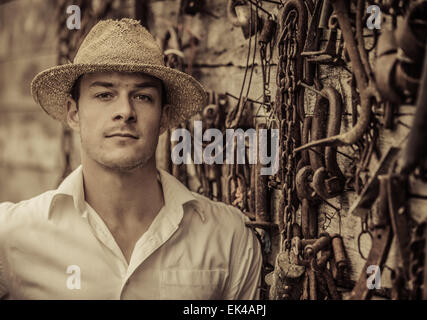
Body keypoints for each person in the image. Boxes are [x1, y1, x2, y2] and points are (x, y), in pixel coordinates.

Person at [0, 18, 262, 300]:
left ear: (163, 117)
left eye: (142, 97)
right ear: (73, 113)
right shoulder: (11, 236)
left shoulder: (228, 236)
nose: (124, 111)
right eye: (104, 94)